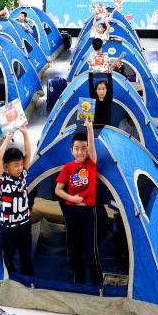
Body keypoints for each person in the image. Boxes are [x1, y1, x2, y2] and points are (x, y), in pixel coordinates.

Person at [55, 119, 102, 285]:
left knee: (89, 247)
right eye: (77, 149)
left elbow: (92, 150)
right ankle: (78, 277)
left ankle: (96, 280)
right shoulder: (68, 167)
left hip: (87, 212)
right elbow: (58, 190)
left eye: (84, 148)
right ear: (71, 151)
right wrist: (72, 198)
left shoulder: (91, 164)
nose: (80, 152)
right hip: (72, 211)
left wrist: (90, 129)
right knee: (73, 246)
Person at [0, 126, 34, 276]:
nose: (19, 168)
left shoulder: (23, 175)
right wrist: (8, 137)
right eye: (15, 165)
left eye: (21, 164)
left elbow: (28, 154)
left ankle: (29, 278)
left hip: (24, 223)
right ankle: (11, 279)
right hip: (8, 227)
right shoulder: (3, 180)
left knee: (26, 254)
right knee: (8, 256)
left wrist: (25, 133)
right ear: (6, 167)